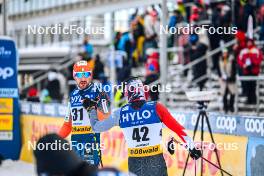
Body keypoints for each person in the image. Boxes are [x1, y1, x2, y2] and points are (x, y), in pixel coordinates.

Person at [84, 77, 201, 176]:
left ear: (127, 93)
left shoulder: (119, 112)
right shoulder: (156, 107)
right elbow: (178, 129)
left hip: (135, 162)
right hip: (155, 160)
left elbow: (96, 127)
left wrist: (91, 109)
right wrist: (191, 147)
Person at [58, 60, 110, 167]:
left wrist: (93, 107)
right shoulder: (73, 94)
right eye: (79, 75)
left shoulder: (97, 91)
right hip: (76, 141)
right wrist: (56, 139)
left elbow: (106, 117)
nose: (82, 78)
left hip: (90, 140)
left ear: (90, 75)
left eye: (86, 74)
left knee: (88, 171)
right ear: (74, 76)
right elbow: (68, 124)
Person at [238, 38, 263, 104]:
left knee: (253, 86)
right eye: (248, 42)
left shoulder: (256, 50)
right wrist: (243, 65)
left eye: (250, 42)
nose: (249, 43)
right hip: (246, 71)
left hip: (254, 70)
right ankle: (249, 100)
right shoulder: (243, 51)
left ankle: (254, 100)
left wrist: (253, 62)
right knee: (247, 86)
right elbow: (239, 60)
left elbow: (260, 59)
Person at [219, 49, 237, 113]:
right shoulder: (221, 60)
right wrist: (221, 76)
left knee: (232, 94)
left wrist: (231, 77)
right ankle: (225, 107)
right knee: (224, 94)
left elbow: (234, 69)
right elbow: (219, 69)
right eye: (223, 53)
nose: (224, 54)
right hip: (224, 80)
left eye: (225, 53)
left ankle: (231, 106)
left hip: (230, 79)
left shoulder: (231, 60)